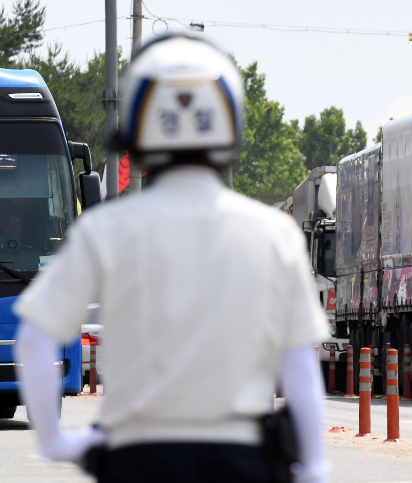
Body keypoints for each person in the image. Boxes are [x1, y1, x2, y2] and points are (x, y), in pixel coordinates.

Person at [14, 33, 329, 483]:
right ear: (230, 123)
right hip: (243, 459)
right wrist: (314, 468)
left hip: (137, 459)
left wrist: (57, 442)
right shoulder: (272, 233)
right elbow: (298, 362)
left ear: (138, 127)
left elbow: (35, 337)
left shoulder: (106, 229)